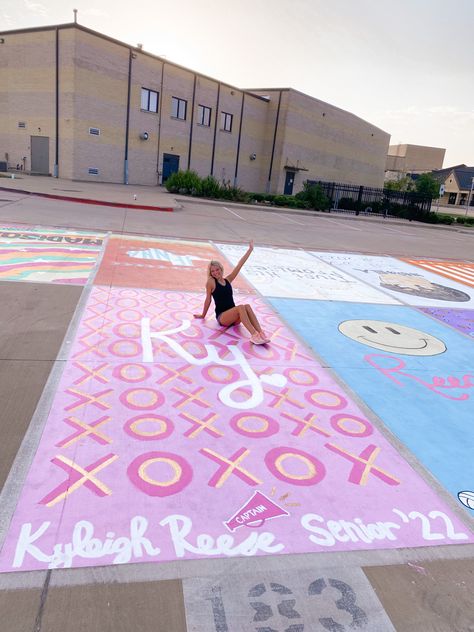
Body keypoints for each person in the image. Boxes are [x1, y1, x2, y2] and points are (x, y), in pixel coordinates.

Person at [193, 241, 270, 344]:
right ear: (210, 273)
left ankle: (260, 333)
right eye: (213, 271)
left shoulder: (228, 280)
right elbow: (208, 299)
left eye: (217, 269)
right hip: (222, 318)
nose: (215, 272)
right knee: (241, 307)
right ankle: (254, 335)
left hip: (235, 318)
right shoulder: (211, 282)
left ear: (221, 269)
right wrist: (203, 315)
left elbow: (239, 265)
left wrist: (250, 250)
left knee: (246, 306)